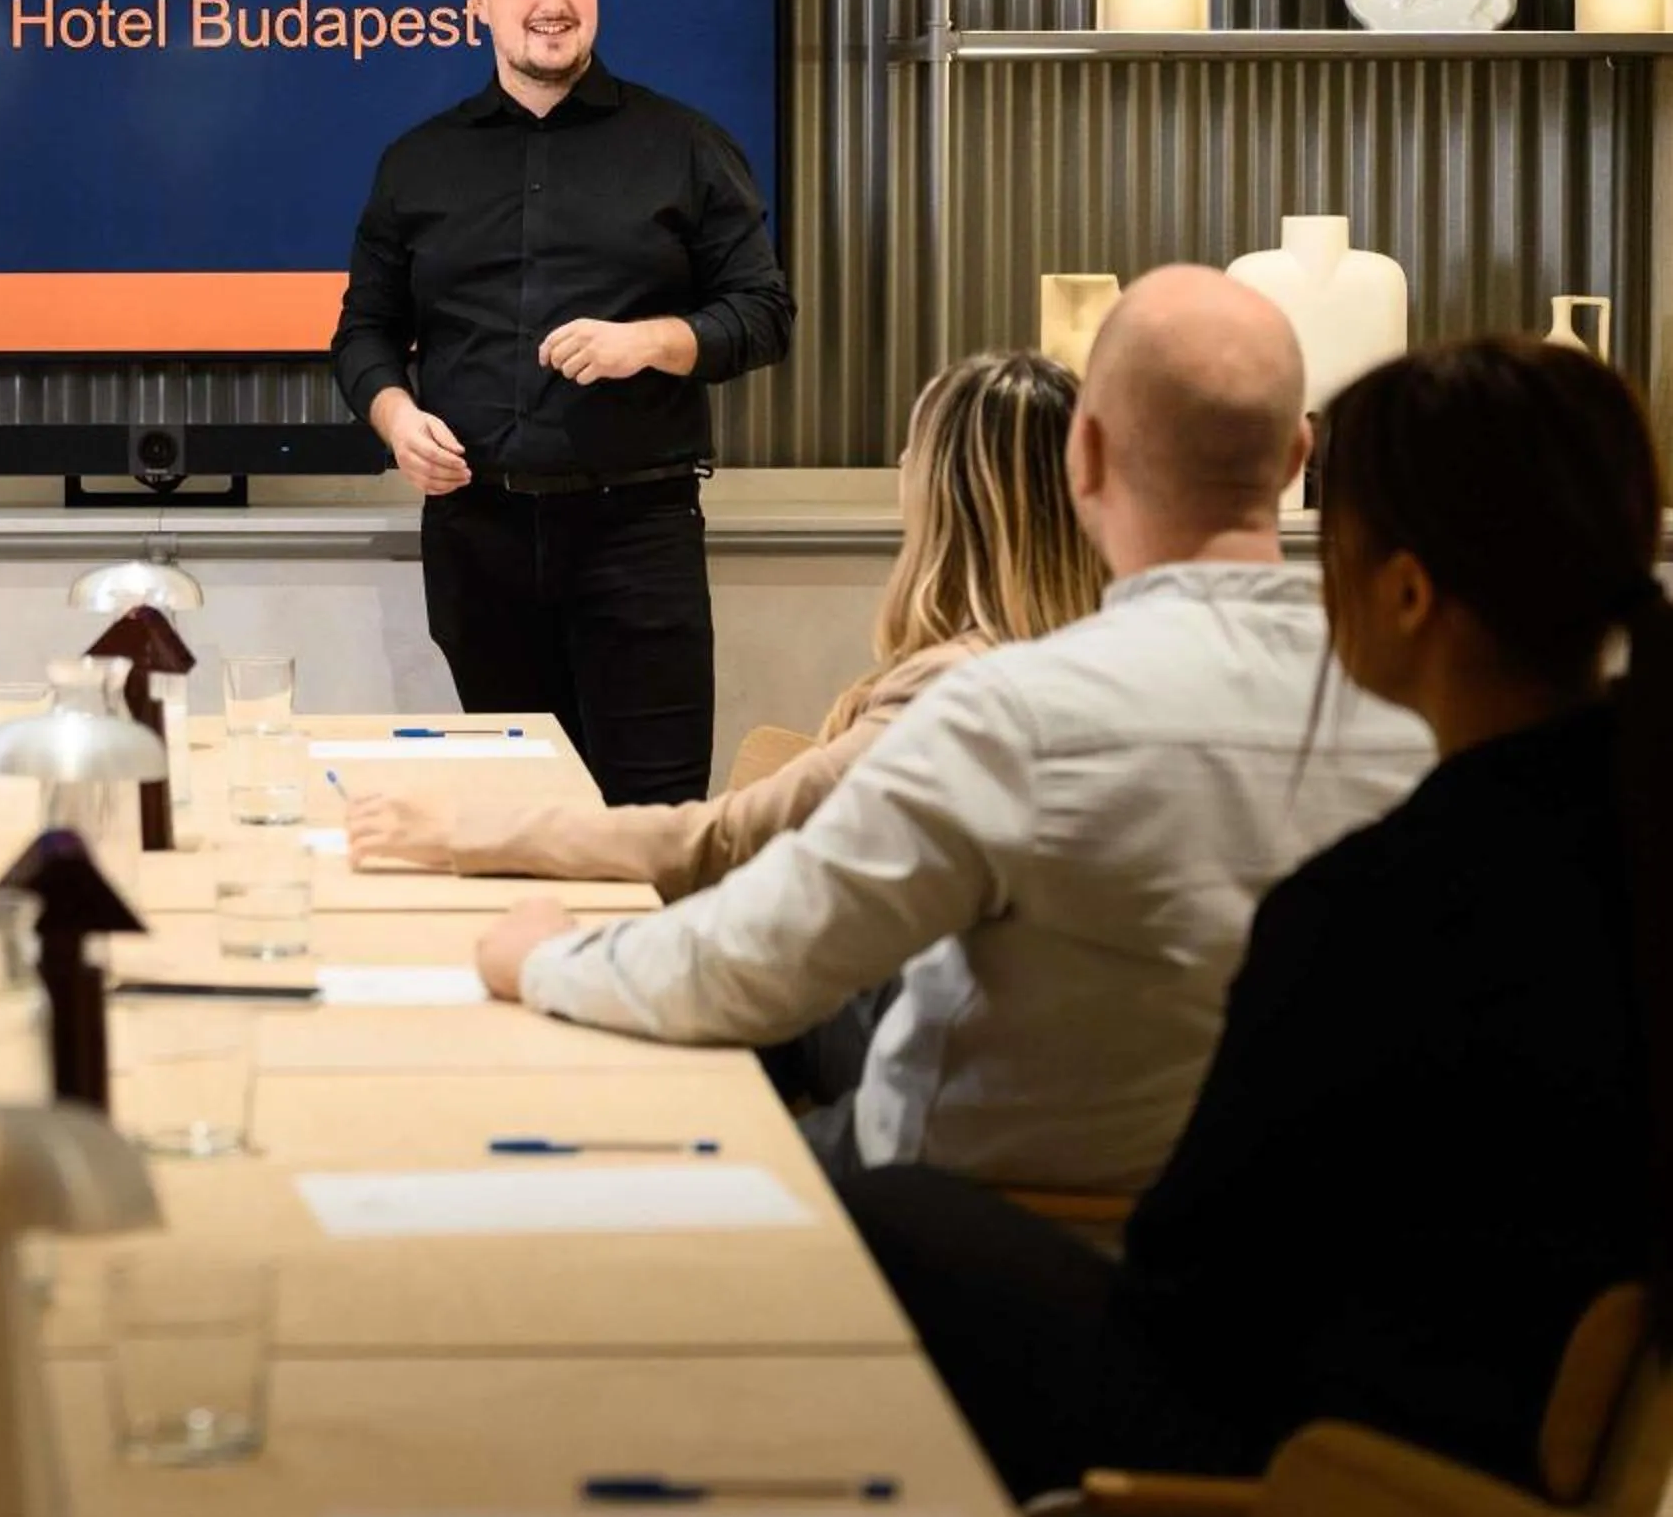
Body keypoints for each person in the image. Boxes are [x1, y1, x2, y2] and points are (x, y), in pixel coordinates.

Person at [845, 337, 1667, 1516]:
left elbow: (1196, 1288)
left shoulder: (1376, 907)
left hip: (1302, 1485)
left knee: (888, 1213)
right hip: (1503, 1476)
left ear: (1404, 591)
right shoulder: (1619, 838)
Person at [473, 267, 1434, 1188]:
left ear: (1085, 456)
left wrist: (541, 958)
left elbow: (748, 965)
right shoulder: (1416, 711)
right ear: (1300, 456)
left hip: (957, 1218)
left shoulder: (1011, 711)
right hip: (1292, 1236)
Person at [331, 0, 795, 807]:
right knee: (520, 821)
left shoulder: (686, 146)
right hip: (478, 538)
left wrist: (652, 342)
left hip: (639, 535)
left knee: (652, 824)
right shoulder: (417, 163)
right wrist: (395, 418)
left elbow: (764, 313)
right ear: (479, 2)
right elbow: (364, 331)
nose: (553, 1)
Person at [347, 348, 1107, 894]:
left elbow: (718, 842)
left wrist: (463, 833)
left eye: (912, 455)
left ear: (944, 495)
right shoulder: (1093, 666)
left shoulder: (953, 694)